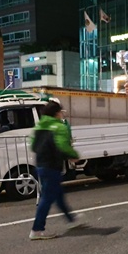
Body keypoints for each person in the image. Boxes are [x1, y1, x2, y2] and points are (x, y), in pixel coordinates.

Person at [29, 99, 80, 240]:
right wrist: (73, 155)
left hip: (40, 165)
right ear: (57, 113)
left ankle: (72, 219)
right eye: (61, 112)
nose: (62, 114)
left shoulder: (39, 126)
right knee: (47, 198)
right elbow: (62, 146)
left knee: (57, 194)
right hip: (52, 166)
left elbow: (33, 146)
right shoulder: (59, 127)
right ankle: (37, 229)